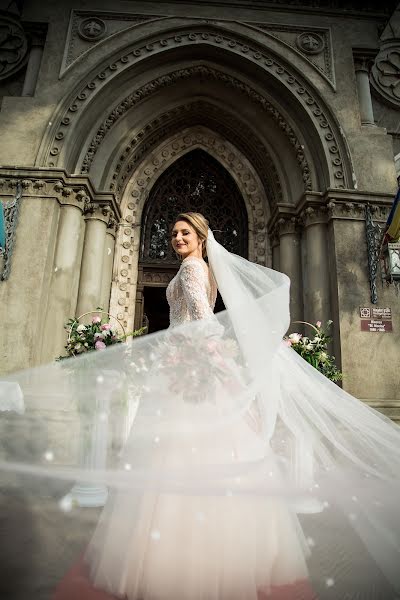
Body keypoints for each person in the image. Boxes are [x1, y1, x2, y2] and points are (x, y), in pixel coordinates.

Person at [2, 213, 400, 599]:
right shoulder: (195, 268)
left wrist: (207, 357)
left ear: (200, 237)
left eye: (185, 233)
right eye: (174, 233)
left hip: (188, 371)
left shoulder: (193, 270)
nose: (177, 238)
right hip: (184, 366)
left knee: (177, 455)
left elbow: (204, 320)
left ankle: (176, 559)